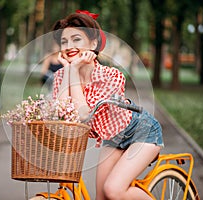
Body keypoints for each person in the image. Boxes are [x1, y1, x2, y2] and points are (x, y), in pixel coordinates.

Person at [51, 10, 164, 200]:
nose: (69, 46)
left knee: (114, 190)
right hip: (113, 138)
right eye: (64, 41)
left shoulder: (111, 76)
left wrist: (74, 71)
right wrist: (71, 71)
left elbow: (83, 114)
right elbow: (62, 113)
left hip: (141, 132)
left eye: (76, 39)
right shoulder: (63, 75)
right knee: (101, 197)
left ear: (93, 44)